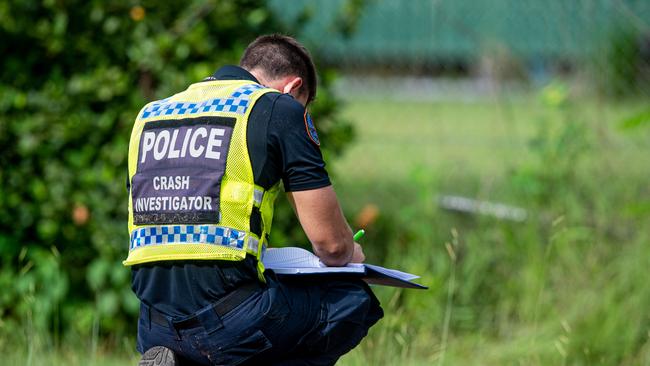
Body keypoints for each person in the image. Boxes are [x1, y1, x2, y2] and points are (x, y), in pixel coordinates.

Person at [125, 34, 383, 366]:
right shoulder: (278, 108)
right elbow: (331, 247)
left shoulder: (152, 115)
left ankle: (179, 360)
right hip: (230, 322)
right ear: (293, 88)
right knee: (351, 302)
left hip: (152, 324)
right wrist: (350, 251)